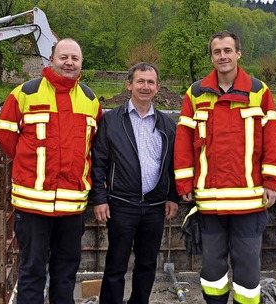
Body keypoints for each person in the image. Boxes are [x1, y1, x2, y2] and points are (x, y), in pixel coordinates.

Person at [173, 31, 276, 304]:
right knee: (212, 270)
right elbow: (184, 142)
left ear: (238, 54)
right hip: (210, 201)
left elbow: (272, 140)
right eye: (217, 52)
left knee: (247, 270)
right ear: (211, 56)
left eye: (227, 50)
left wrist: (271, 183)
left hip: (249, 200)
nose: (222, 56)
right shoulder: (196, 93)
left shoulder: (258, 91)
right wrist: (184, 184)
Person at [0, 38, 102, 304]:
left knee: (65, 274)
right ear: (51, 59)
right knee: (31, 272)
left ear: (81, 63)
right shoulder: (24, 93)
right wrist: (29, 167)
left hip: (72, 208)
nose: (69, 63)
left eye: (74, 58)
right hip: (32, 206)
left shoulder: (90, 99)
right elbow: (6, 138)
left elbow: (94, 147)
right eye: (63, 57)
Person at [90, 62, 179, 304]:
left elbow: (172, 164)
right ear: (129, 84)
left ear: (158, 88)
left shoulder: (167, 125)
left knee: (147, 264)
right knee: (116, 264)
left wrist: (173, 196)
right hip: (121, 204)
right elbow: (98, 162)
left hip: (154, 206)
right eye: (140, 81)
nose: (145, 87)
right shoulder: (111, 121)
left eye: (151, 82)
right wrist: (99, 198)